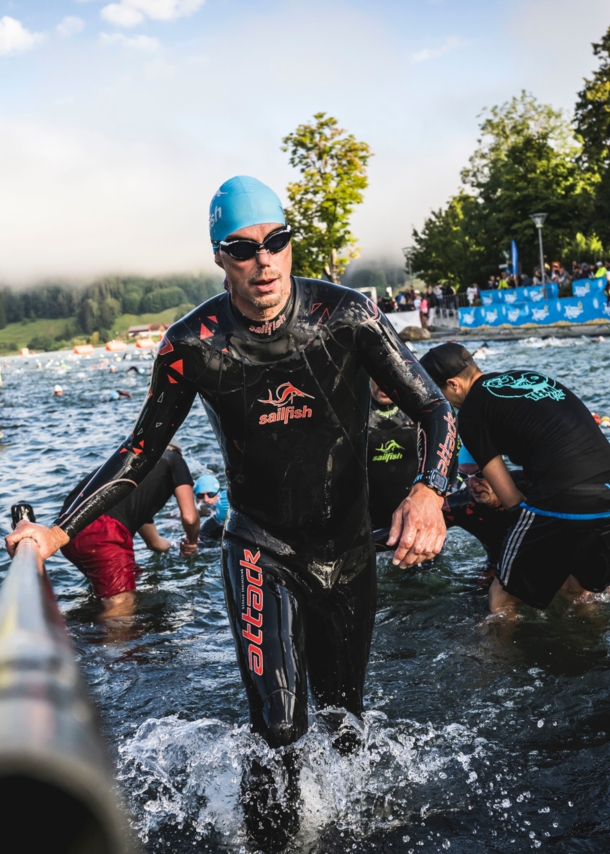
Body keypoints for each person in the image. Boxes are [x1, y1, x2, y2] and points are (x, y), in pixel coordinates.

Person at [7, 175, 455, 846]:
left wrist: (431, 491)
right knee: (278, 724)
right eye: (242, 249)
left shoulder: (348, 316)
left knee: (343, 719)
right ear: (220, 258)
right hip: (259, 547)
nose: (263, 260)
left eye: (276, 242)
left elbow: (435, 407)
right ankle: (268, 841)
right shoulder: (194, 345)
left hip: (346, 552)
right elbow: (139, 450)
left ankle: (361, 828)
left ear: (290, 244)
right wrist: (59, 530)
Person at [420, 343, 610, 615]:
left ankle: (495, 657)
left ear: (453, 384)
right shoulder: (524, 376)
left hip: (564, 493)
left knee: (502, 594)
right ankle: (591, 650)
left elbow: (511, 499)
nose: (444, 403)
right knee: (578, 590)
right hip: (606, 490)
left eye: (440, 395)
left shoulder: (472, 411)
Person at [59, 441, 199, 618]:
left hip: (66, 530)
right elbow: (190, 517)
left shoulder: (127, 468)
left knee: (134, 575)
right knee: (121, 606)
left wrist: (175, 545)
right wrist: (192, 543)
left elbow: (155, 543)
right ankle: (110, 645)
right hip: (102, 531)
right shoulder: (173, 459)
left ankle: (84, 630)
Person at [367, 379, 420, 531]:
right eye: (378, 377)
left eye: (389, 377)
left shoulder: (420, 412)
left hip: (413, 518)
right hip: (370, 521)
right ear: (370, 378)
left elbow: (451, 454)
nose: (385, 383)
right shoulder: (354, 413)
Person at [195, 472, 230, 541]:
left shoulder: (223, 506)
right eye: (200, 496)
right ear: (195, 497)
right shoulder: (190, 513)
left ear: (218, 494)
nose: (205, 500)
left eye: (210, 494)